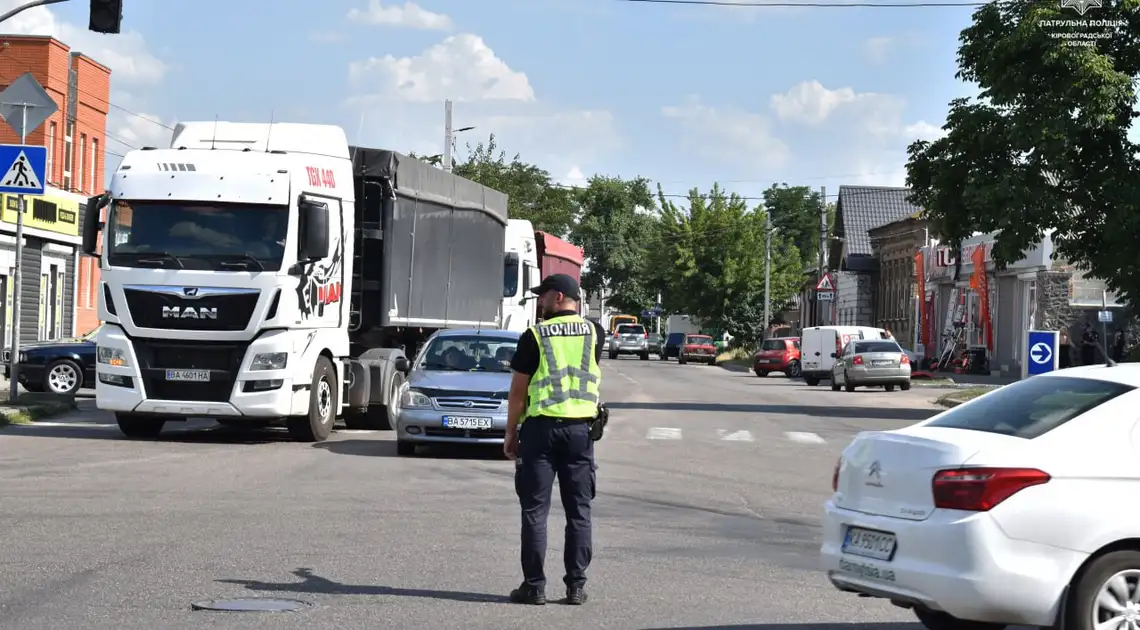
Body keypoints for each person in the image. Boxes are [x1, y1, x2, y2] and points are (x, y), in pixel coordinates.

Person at [505, 273, 605, 606]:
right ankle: (576, 586)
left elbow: (518, 390)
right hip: (580, 433)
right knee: (579, 511)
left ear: (559, 296)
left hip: (541, 431)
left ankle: (534, 587)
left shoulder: (535, 335)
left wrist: (510, 432)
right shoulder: (595, 332)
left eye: (544, 295)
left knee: (534, 510)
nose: (540, 301)